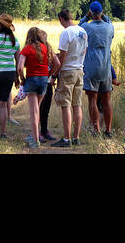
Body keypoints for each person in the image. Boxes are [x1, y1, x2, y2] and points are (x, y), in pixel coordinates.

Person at [51, 8, 87, 148]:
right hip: (79, 69)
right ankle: (76, 137)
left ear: (61, 18)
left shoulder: (66, 33)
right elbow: (84, 50)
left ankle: (67, 139)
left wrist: (54, 75)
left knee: (65, 105)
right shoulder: (82, 31)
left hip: (67, 71)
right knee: (77, 105)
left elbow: (62, 57)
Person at [80, 1, 116, 137]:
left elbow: (78, 27)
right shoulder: (108, 27)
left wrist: (86, 17)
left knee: (92, 101)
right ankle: (108, 130)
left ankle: (96, 130)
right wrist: (105, 16)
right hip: (106, 69)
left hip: (91, 68)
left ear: (91, 13)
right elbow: (110, 22)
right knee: (106, 101)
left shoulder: (86, 28)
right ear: (101, 13)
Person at [14, 26, 52, 149]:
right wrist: (50, 74)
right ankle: (35, 135)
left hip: (32, 80)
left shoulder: (27, 49)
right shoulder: (46, 48)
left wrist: (22, 79)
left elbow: (20, 67)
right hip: (43, 80)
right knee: (38, 109)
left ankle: (35, 140)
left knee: (34, 111)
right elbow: (57, 63)